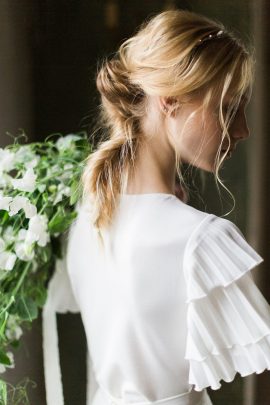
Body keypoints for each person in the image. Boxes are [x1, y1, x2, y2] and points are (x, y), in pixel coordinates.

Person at [42, 9, 270, 405]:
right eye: (228, 109)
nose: (243, 129)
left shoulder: (88, 219)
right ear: (170, 101)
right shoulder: (201, 240)